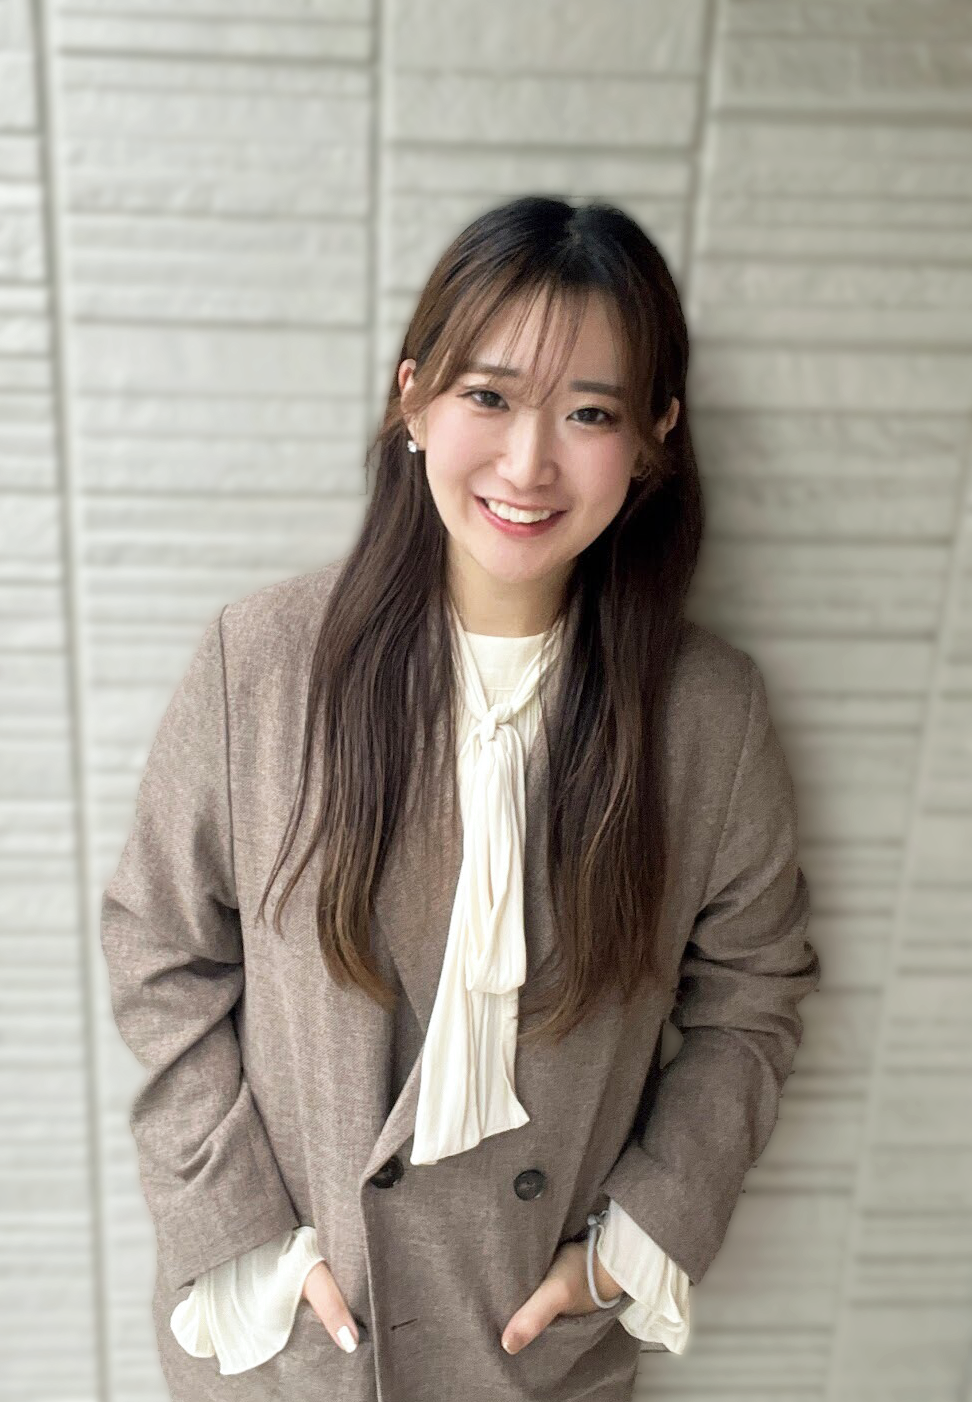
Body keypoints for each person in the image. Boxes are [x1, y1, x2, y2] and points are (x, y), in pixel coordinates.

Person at [100, 194, 820, 1402]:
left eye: (589, 413)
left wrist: (638, 1240)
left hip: (533, 1349)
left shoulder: (708, 717)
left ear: (654, 438)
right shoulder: (261, 664)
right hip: (298, 1344)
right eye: (489, 396)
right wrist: (248, 1238)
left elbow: (756, 993)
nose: (528, 464)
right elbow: (158, 948)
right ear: (414, 401)